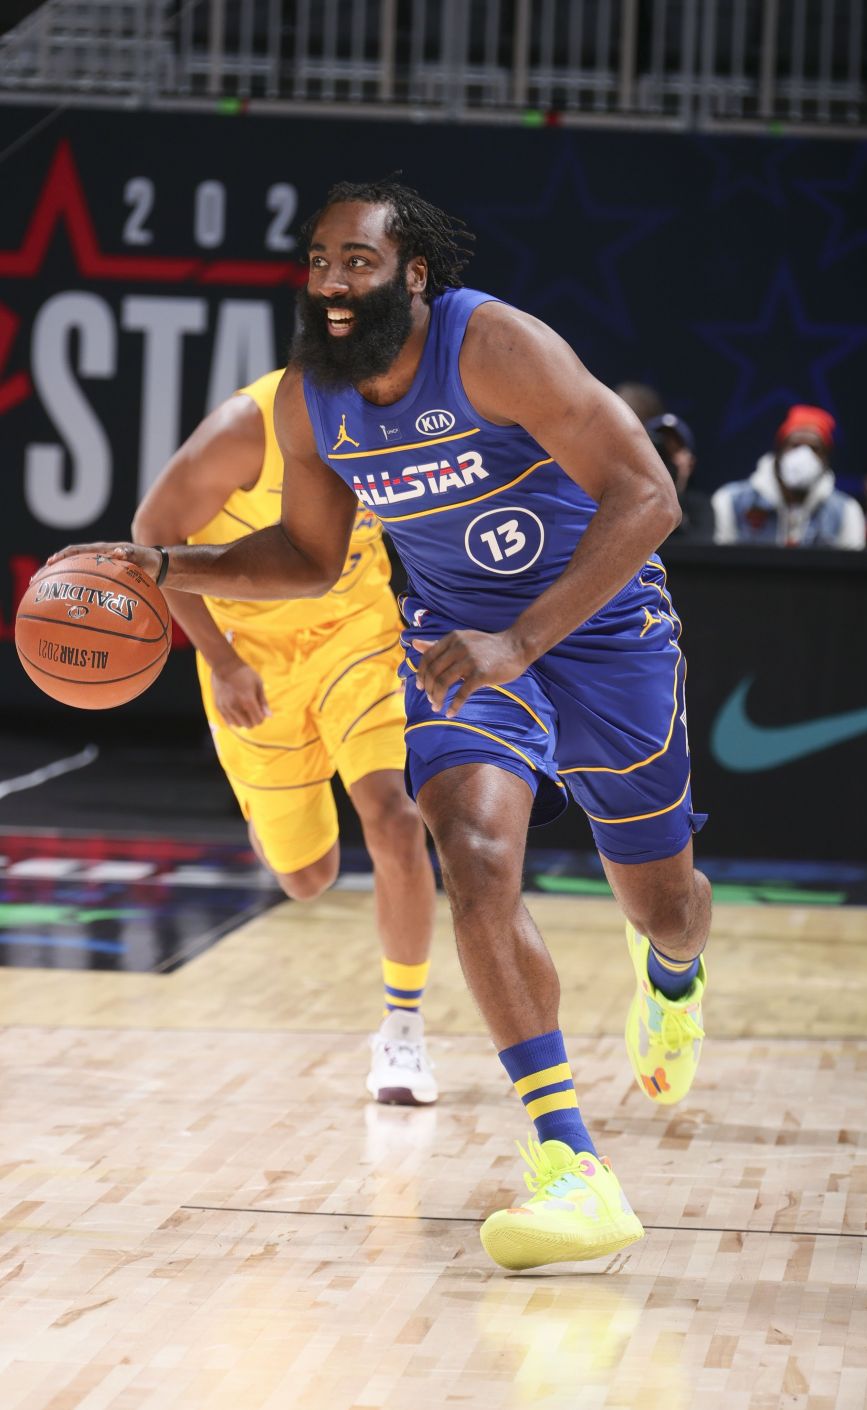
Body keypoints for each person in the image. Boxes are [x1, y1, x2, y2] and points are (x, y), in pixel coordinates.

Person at [48, 179, 711, 1273]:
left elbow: (648, 497)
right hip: (457, 645)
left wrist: (522, 641)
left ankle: (673, 978)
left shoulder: (494, 346)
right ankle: (572, 1164)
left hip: (599, 630)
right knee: (474, 854)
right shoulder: (311, 399)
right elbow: (306, 559)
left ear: (414, 274)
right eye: (318, 261)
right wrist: (165, 567)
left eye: (356, 261)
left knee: (667, 904)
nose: (331, 282)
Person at [132, 368, 439, 1106]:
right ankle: (269, 811)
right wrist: (221, 661)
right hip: (254, 657)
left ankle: (403, 1028)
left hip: (357, 636)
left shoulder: (406, 418)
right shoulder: (246, 428)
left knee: (395, 818)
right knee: (308, 878)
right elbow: (152, 534)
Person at [712, 404, 865, 548]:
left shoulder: (846, 511)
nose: (804, 455)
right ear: (779, 451)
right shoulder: (730, 501)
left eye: (815, 448)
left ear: (825, 459)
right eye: (795, 445)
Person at [645, 412, 714, 544]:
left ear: (690, 463)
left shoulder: (700, 506)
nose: (665, 459)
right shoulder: (632, 502)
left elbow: (700, 550)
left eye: (675, 450)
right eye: (659, 451)